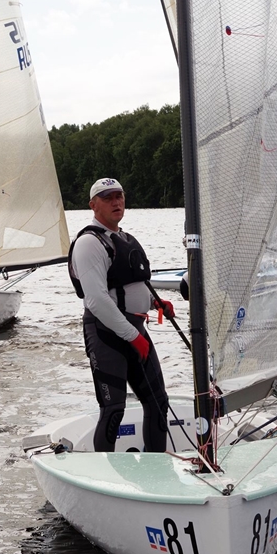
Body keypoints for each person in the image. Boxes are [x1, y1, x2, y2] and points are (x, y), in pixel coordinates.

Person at [69, 178, 174, 452]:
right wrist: (132, 336)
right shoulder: (89, 243)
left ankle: (156, 465)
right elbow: (97, 300)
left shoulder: (125, 239)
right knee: (114, 409)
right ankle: (104, 471)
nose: (116, 202)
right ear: (93, 205)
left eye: (119, 196)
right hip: (106, 334)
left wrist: (156, 302)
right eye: (107, 198)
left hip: (135, 330)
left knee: (158, 402)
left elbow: (130, 286)